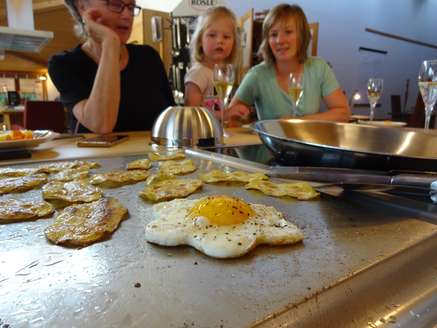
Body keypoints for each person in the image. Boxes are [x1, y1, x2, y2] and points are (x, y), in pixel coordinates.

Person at [48, 0, 174, 134]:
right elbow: (102, 124)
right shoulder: (65, 64)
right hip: (99, 156)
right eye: (115, 4)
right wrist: (110, 42)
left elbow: (172, 120)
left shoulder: (148, 57)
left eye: (131, 7)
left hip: (154, 155)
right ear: (83, 7)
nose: (127, 15)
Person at [228, 4, 350, 123]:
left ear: (302, 35)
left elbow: (343, 112)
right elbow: (231, 116)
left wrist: (299, 122)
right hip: (270, 144)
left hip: (309, 143)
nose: (280, 40)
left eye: (288, 32)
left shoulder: (319, 67)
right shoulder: (257, 75)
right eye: (273, 34)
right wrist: (241, 117)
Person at [184, 6, 239, 111]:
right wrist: (226, 115)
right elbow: (192, 113)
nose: (219, 41)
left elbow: (221, 109)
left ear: (234, 43)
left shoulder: (222, 74)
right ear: (200, 41)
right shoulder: (198, 73)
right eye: (212, 35)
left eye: (226, 37)